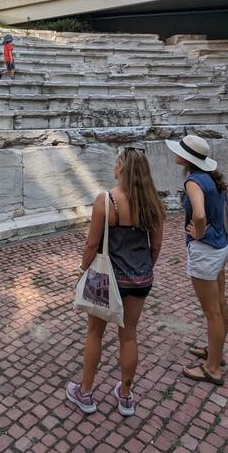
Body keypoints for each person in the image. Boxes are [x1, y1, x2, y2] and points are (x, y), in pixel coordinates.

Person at [66, 147, 166, 417]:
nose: (114, 168)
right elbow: (156, 246)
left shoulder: (107, 200)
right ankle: (125, 396)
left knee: (95, 333)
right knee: (129, 336)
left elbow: (91, 244)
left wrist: (82, 269)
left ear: (122, 169)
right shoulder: (154, 203)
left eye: (116, 164)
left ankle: (85, 393)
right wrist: (144, 269)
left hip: (107, 279)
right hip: (140, 278)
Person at [165, 135, 228, 387]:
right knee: (220, 304)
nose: (176, 154)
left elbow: (199, 214)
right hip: (220, 247)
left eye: (179, 151)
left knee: (211, 312)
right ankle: (215, 353)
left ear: (187, 158)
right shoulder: (215, 179)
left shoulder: (193, 181)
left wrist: (198, 231)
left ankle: (213, 368)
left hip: (205, 250)